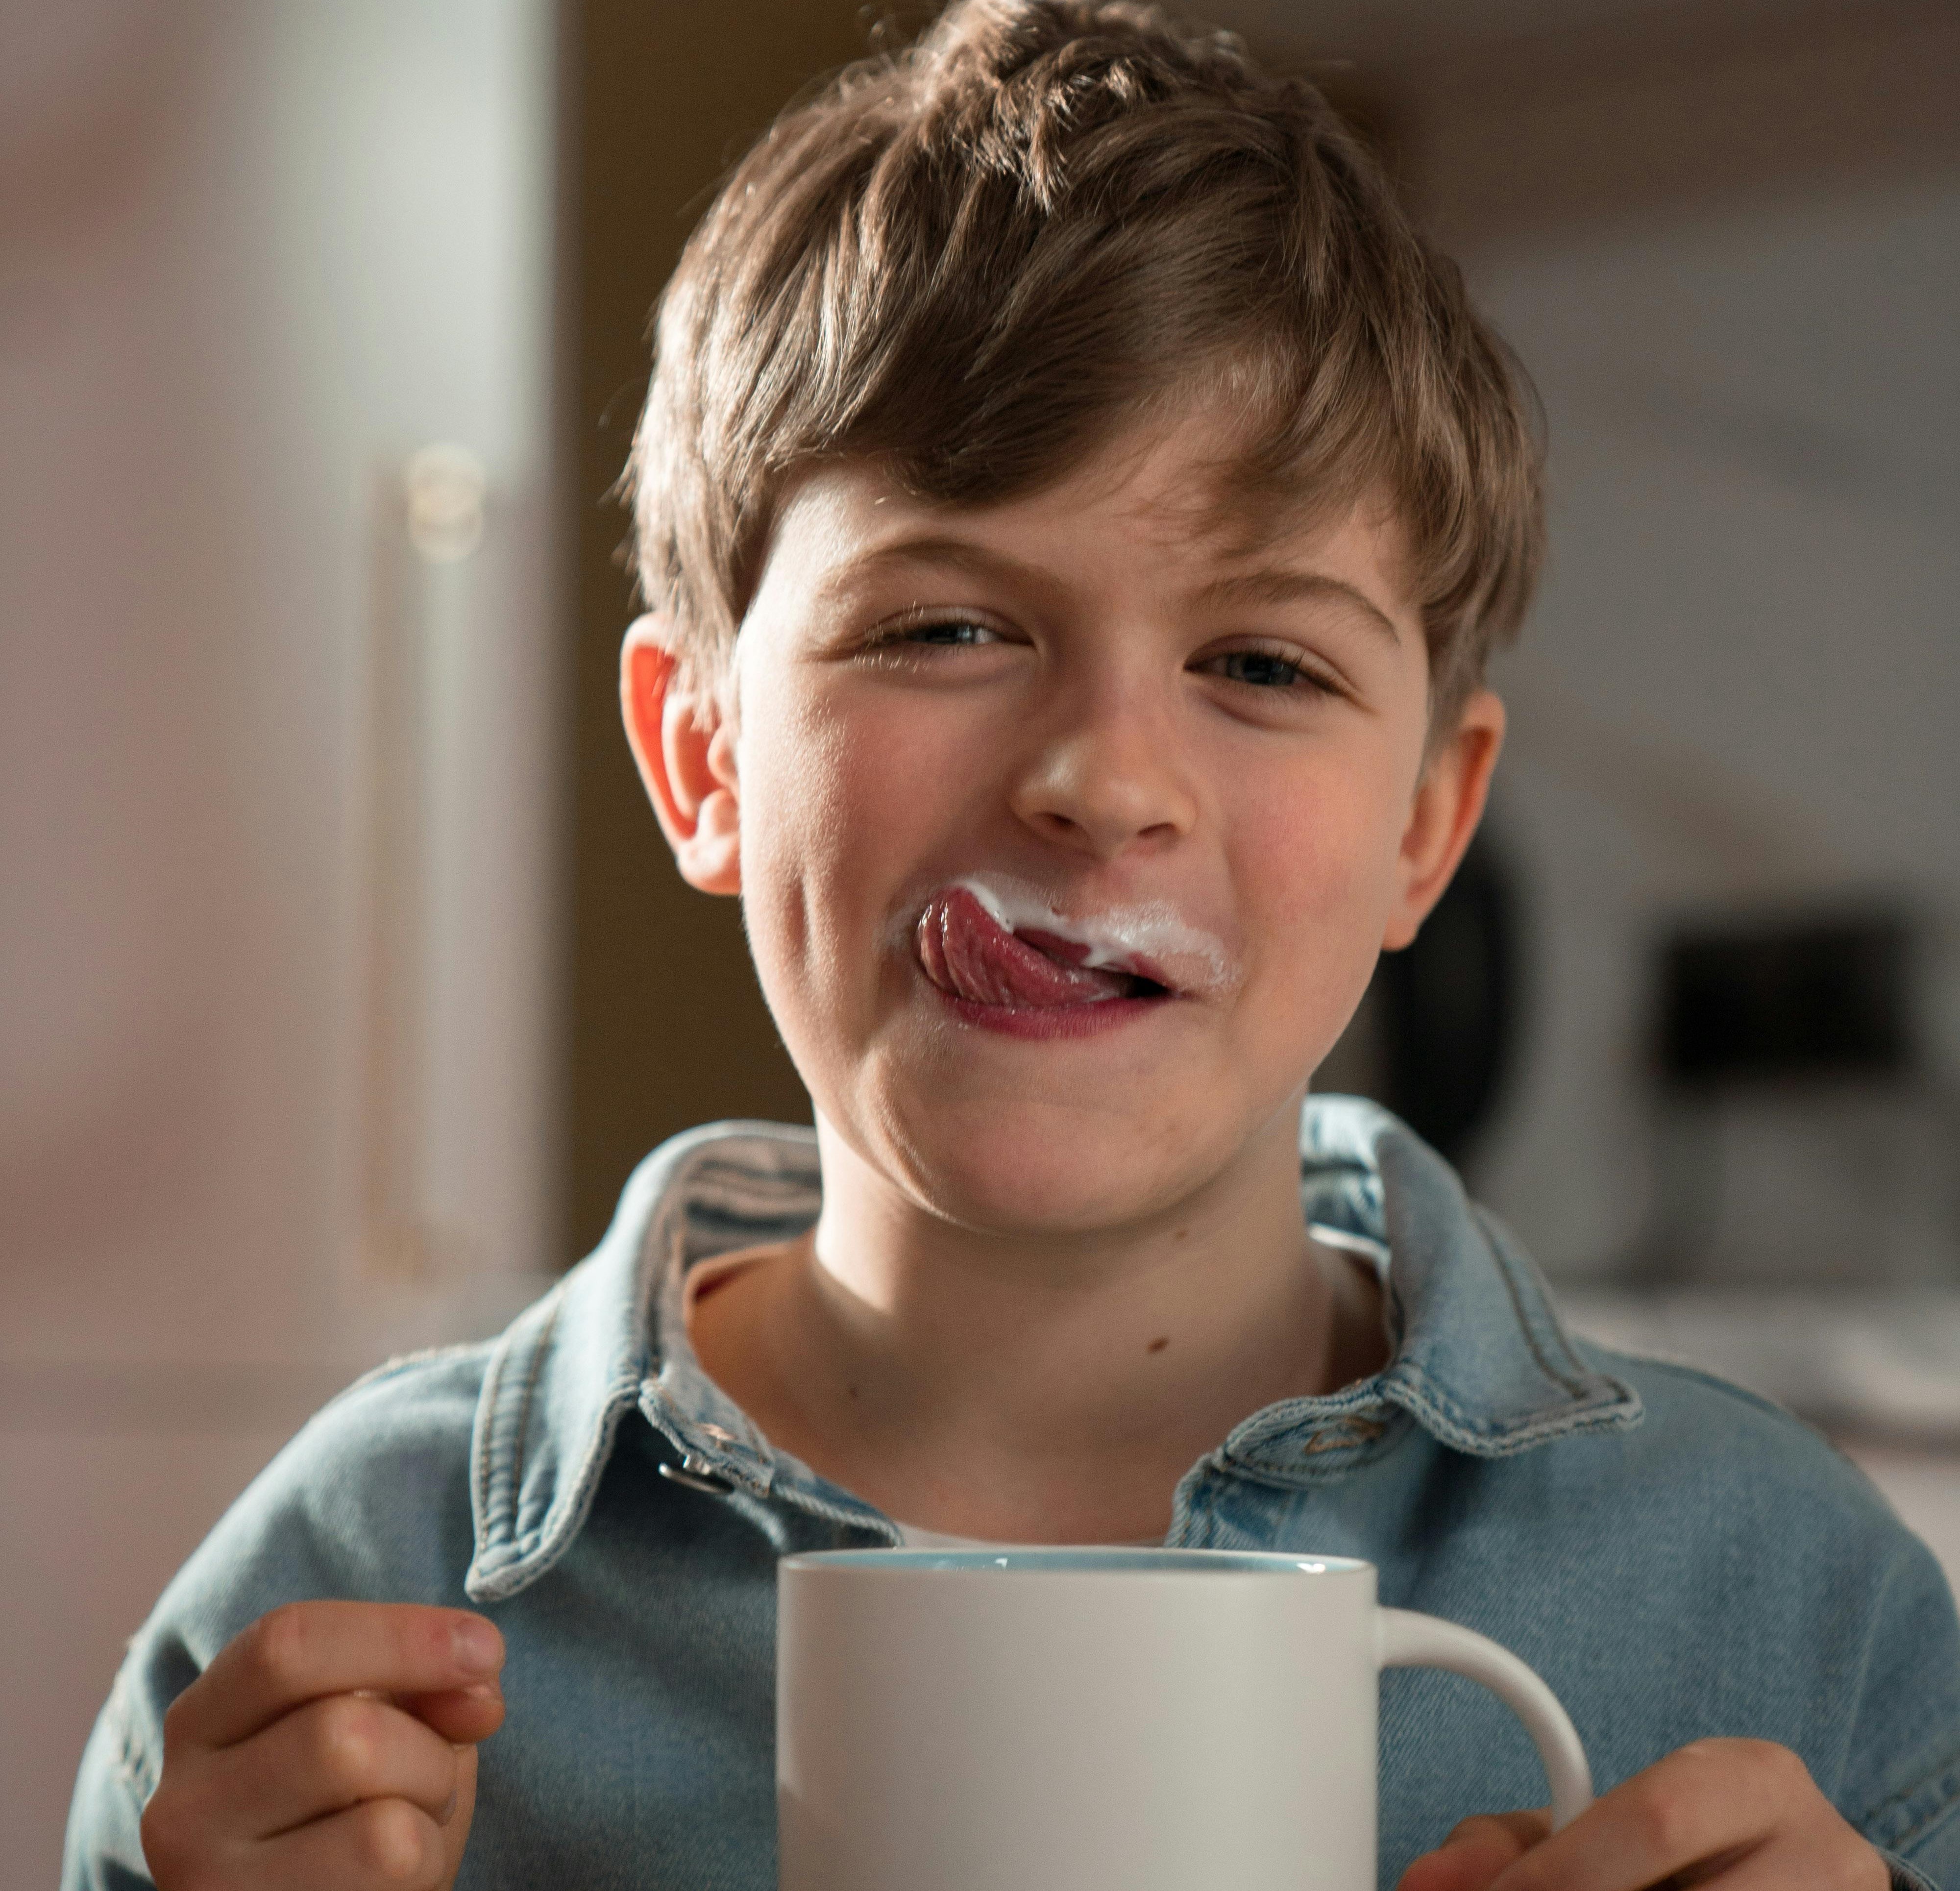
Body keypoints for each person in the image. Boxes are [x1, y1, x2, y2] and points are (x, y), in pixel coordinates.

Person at [63, 3, 1960, 1887]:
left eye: (1260, 663)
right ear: (701, 752)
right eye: (946, 629)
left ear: (1425, 828)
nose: (1099, 778)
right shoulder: (328, 1607)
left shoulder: (1797, 1616)